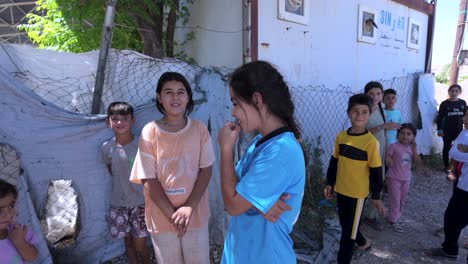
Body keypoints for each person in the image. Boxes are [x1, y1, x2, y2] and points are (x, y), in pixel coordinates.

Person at [217, 60, 305, 263]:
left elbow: (232, 203)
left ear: (257, 100)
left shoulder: (280, 152)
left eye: (236, 103)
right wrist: (258, 203)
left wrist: (225, 149)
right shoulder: (261, 142)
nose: (233, 112)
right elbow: (234, 189)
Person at [130, 72, 215, 264]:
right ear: (159, 97)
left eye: (180, 92)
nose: (175, 97)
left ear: (188, 97)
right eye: (168, 92)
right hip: (162, 217)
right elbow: (148, 179)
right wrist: (172, 214)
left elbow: (206, 170)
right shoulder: (149, 131)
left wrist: (188, 208)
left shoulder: (199, 129)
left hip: (195, 214)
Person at [324, 93, 385, 264]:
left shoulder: (371, 142)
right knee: (346, 225)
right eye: (355, 111)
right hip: (341, 189)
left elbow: (376, 171)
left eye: (364, 112)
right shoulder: (341, 137)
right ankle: (364, 242)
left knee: (347, 235)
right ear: (348, 113)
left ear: (370, 114)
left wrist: (376, 196)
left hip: (357, 194)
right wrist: (330, 182)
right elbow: (334, 161)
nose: (359, 115)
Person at [100, 102, 151, 264]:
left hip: (140, 203)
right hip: (118, 204)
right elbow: (112, 170)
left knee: (140, 244)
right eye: (115, 119)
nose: (120, 123)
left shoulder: (140, 144)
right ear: (108, 122)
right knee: (127, 242)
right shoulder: (106, 148)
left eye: (124, 118)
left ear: (133, 120)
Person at [425, 110, 468, 262]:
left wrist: (465, 151)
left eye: (467, 115)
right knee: (451, 217)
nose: (464, 118)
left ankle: (450, 249)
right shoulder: (465, 132)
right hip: (463, 183)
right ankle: (450, 249)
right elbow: (454, 152)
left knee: (454, 218)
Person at [363, 81, 400, 230]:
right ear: (366, 95)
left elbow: (384, 135)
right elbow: (362, 133)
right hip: (367, 153)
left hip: (380, 152)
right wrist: (384, 126)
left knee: (378, 183)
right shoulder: (364, 110)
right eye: (371, 94)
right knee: (366, 183)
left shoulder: (380, 109)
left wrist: (387, 154)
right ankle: (359, 213)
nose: (375, 96)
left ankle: (370, 216)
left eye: (378, 93)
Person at [385, 123, 422, 232]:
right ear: (398, 135)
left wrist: (414, 150)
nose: (405, 136)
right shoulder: (394, 146)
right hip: (393, 177)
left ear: (413, 137)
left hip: (406, 179)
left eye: (408, 134)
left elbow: (418, 162)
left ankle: (397, 215)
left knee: (402, 199)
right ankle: (393, 220)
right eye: (402, 133)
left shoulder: (412, 148)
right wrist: (389, 160)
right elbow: (388, 156)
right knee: (395, 199)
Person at [0, 179, 38, 263]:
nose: (9, 214)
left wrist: (20, 242)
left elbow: (32, 257)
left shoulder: (19, 231)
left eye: (12, 205)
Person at [437, 84, 466, 171]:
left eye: (456, 91)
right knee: (446, 148)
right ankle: (446, 166)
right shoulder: (444, 104)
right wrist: (440, 129)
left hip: (459, 131)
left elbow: (465, 116)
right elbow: (440, 118)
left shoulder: (463, 103)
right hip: (447, 130)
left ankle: (456, 166)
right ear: (449, 92)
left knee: (459, 148)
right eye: (452, 91)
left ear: (459, 92)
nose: (454, 93)